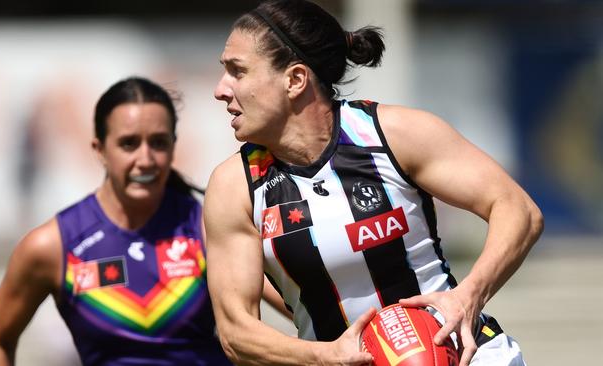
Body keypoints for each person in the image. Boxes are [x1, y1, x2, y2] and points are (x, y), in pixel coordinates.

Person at [203, 1, 544, 365]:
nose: (221, 90)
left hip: (465, 354)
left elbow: (517, 208)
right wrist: (325, 355)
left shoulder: (394, 134)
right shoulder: (234, 187)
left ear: (295, 80)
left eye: (237, 72)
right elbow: (236, 333)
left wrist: (468, 296)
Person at [0, 77, 235, 365]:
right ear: (99, 150)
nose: (146, 159)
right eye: (129, 144)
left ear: (174, 147)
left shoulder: (207, 226)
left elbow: (288, 298)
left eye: (159, 143)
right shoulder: (52, 245)